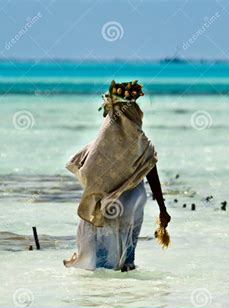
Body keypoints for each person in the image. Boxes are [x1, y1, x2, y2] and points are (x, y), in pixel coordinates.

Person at [63, 81, 171, 272]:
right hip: (131, 205)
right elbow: (152, 173)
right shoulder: (141, 143)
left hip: (105, 206)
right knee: (126, 261)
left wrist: (101, 194)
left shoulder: (98, 145)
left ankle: (105, 292)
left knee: (102, 261)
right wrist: (162, 208)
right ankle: (124, 289)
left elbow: (86, 173)